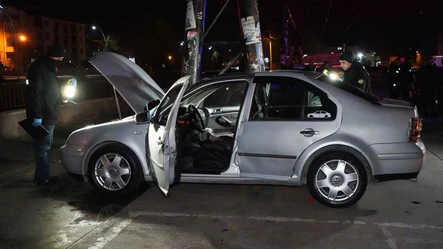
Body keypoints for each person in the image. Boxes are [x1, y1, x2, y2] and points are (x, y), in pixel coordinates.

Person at [25, 44, 65, 186]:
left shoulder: (47, 66)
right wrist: (37, 115)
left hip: (48, 113)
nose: (61, 60)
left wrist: (60, 98)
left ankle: (41, 174)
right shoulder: (40, 68)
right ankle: (43, 178)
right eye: (60, 58)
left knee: (44, 147)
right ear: (54, 56)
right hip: (44, 115)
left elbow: (49, 89)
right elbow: (35, 93)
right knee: (43, 148)